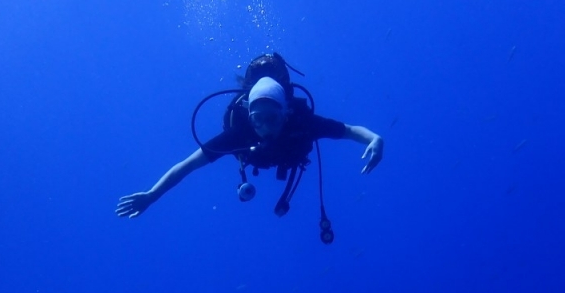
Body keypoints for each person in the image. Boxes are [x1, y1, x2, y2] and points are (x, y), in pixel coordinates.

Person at [116, 53, 384, 243]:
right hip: (254, 156)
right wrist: (152, 194)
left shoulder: (303, 123)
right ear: (249, 115)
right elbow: (186, 166)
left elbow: (350, 130)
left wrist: (375, 139)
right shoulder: (239, 134)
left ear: (286, 113)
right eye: (257, 119)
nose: (264, 127)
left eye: (272, 119)